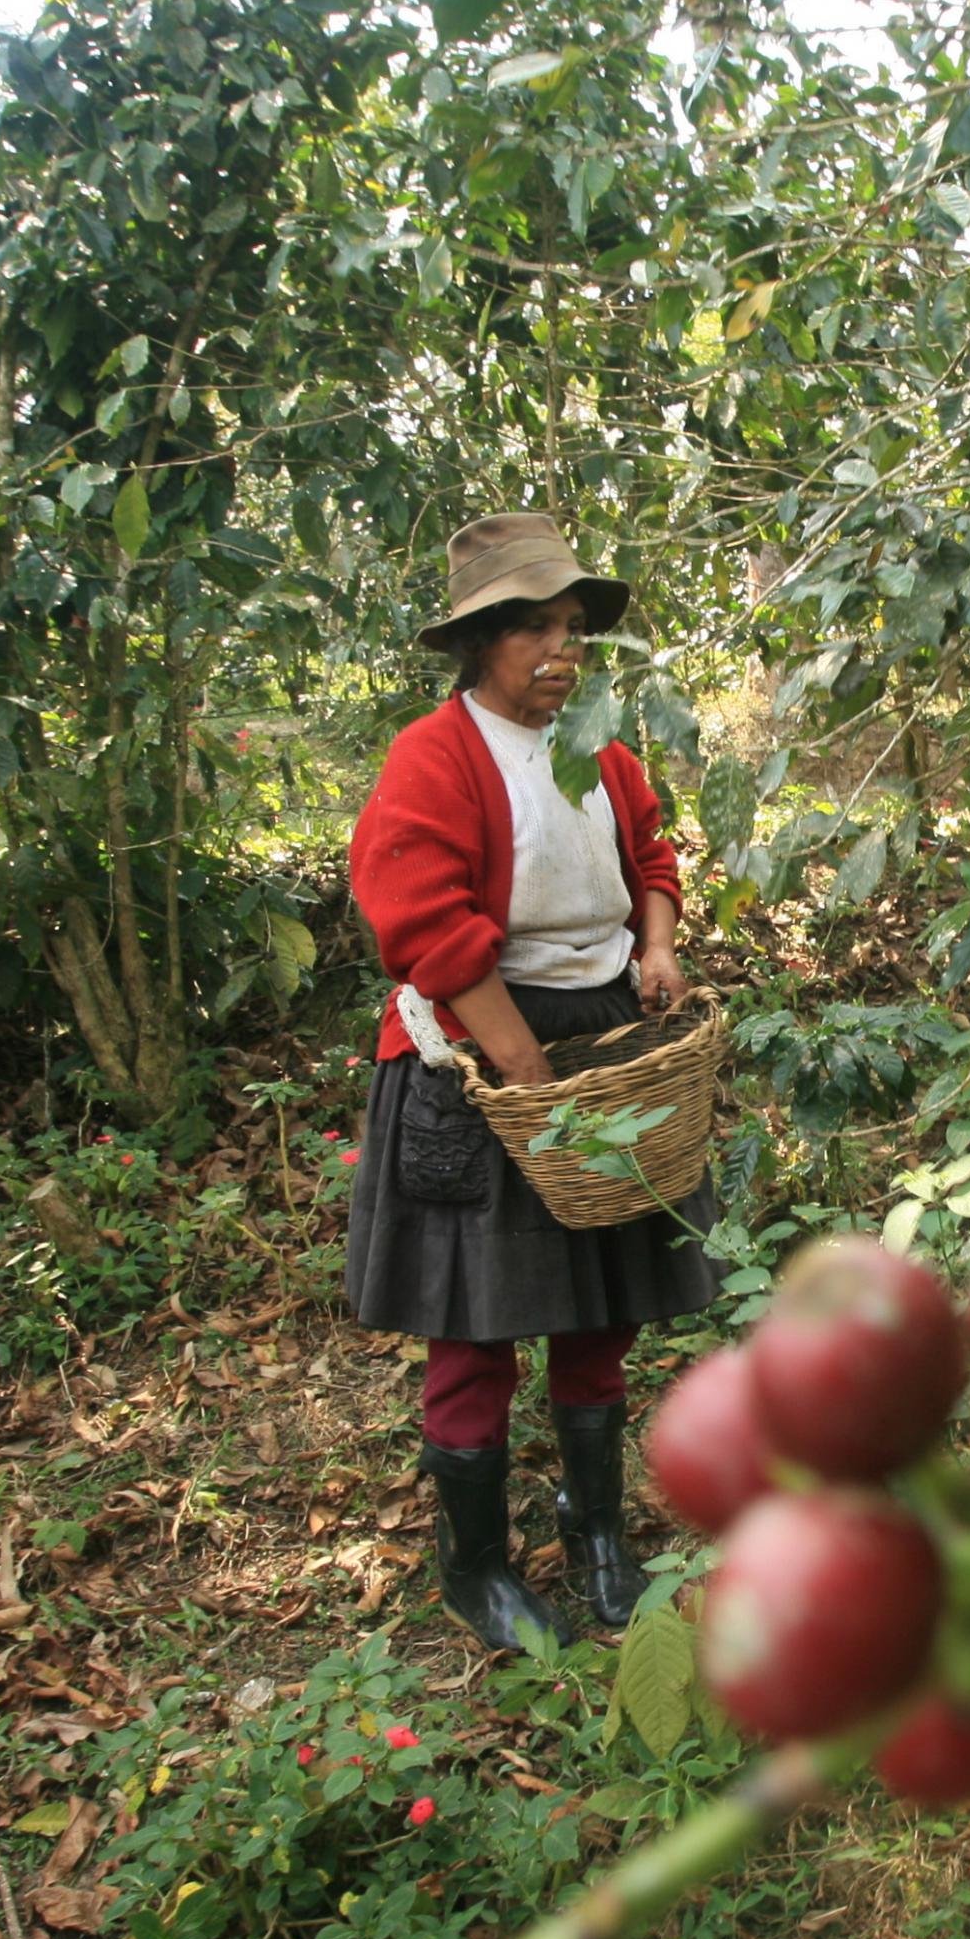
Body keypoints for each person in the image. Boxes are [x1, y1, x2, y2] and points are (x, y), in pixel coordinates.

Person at [344, 513, 720, 1649]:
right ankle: (475, 1564)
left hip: (599, 1036)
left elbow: (650, 854)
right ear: (480, 641)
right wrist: (523, 1078)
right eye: (535, 630)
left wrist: (653, 949)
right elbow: (427, 928)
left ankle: (594, 1527)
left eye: (573, 630)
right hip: (480, 1048)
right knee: (477, 1323)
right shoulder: (434, 755)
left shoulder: (600, 749)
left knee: (599, 1304)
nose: (562, 652)